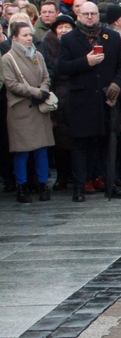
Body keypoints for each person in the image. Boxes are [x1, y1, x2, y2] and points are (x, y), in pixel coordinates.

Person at [59, 1, 121, 202]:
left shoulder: (111, 37)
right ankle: (79, 187)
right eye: (86, 14)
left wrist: (116, 84)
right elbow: (62, 67)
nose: (90, 17)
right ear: (79, 15)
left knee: (108, 144)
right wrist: (85, 62)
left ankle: (111, 184)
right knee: (81, 146)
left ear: (99, 15)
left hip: (107, 100)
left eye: (93, 14)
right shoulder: (69, 39)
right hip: (82, 101)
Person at [2, 22, 55, 203]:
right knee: (21, 151)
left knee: (41, 150)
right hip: (22, 110)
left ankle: (42, 185)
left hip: (39, 109)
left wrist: (44, 89)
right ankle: (22, 187)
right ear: (15, 37)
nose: (29, 38)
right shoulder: (8, 59)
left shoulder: (38, 55)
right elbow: (11, 84)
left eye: (30, 35)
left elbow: (46, 76)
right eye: (25, 35)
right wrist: (36, 92)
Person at [43, 14, 76, 190]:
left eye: (67, 27)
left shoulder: (76, 44)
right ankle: (62, 176)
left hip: (75, 95)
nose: (63, 30)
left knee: (75, 140)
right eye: (60, 27)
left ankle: (75, 175)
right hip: (57, 97)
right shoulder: (48, 47)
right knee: (59, 141)